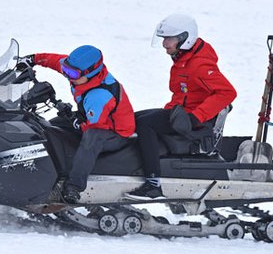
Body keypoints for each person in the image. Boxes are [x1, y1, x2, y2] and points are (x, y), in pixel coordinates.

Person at [127, 14, 237, 200]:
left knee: (146, 125)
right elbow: (182, 95)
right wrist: (167, 112)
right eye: (163, 38)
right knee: (135, 118)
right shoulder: (183, 60)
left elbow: (227, 93)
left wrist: (195, 117)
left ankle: (153, 184)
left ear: (185, 38)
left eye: (169, 39)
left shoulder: (199, 65)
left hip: (196, 123)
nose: (164, 44)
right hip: (182, 114)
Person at [17, 45, 135, 203]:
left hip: (114, 132)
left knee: (91, 139)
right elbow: (55, 61)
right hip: (91, 116)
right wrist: (33, 59)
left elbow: (94, 127)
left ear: (90, 73)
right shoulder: (77, 71)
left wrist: (75, 121)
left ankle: (74, 186)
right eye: (66, 69)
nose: (66, 75)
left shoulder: (99, 96)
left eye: (71, 73)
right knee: (50, 127)